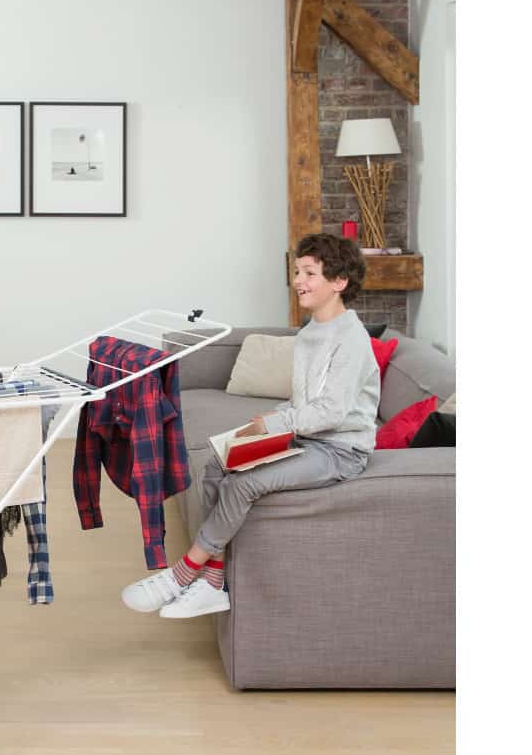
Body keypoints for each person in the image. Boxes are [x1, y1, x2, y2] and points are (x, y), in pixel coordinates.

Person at [121, 232, 380, 619]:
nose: (298, 281)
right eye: (297, 271)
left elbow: (331, 413)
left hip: (340, 451)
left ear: (339, 281)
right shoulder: (310, 333)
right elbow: (304, 401)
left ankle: (182, 573)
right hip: (305, 438)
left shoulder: (352, 339)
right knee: (218, 463)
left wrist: (273, 423)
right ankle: (214, 582)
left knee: (243, 482)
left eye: (309, 273)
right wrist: (268, 424)